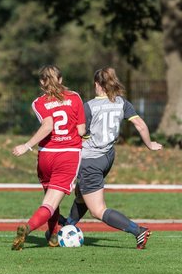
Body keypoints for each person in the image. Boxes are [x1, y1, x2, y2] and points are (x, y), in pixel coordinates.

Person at [59, 67, 163, 249]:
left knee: (97, 210)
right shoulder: (121, 103)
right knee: (82, 195)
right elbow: (139, 124)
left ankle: (138, 231)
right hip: (107, 157)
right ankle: (68, 226)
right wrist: (149, 144)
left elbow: (81, 132)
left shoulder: (89, 106)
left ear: (97, 85)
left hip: (91, 159)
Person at [11, 65, 86, 250]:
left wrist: (27, 146)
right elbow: (71, 128)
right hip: (68, 156)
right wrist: (27, 145)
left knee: (50, 199)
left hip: (46, 157)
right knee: (51, 203)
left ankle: (52, 237)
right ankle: (27, 228)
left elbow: (48, 124)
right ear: (60, 80)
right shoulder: (75, 97)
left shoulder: (38, 102)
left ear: (42, 82)